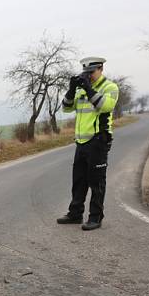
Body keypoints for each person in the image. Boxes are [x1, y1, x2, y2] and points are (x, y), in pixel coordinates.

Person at [56, 57, 119, 230]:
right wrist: (71, 90)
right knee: (79, 180)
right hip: (82, 142)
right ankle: (75, 214)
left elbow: (104, 106)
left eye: (91, 72)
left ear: (101, 69)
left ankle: (95, 217)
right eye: (86, 73)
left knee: (96, 181)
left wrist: (88, 88)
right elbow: (67, 108)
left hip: (98, 140)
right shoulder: (81, 88)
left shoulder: (110, 87)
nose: (88, 76)